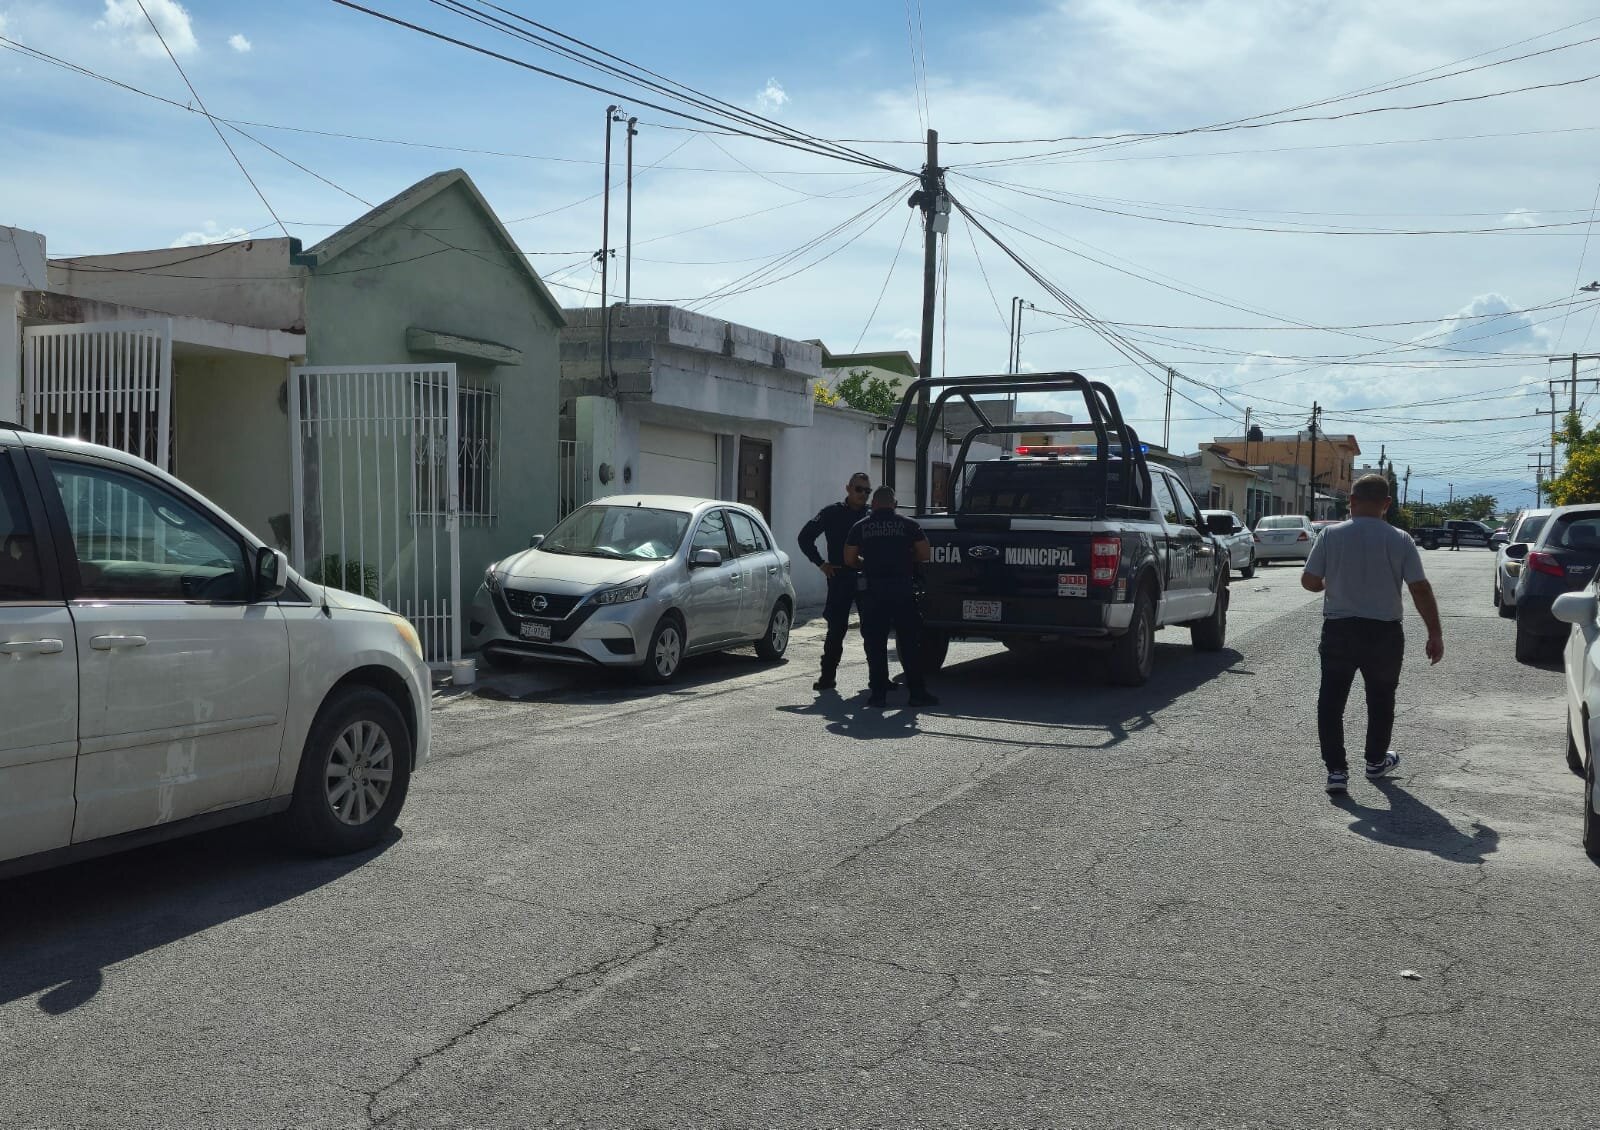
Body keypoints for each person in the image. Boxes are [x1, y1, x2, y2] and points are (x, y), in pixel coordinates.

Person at [1301, 474, 1444, 794]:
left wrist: (1328, 584)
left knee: (1331, 701)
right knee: (1381, 699)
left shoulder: (1330, 535)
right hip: (1384, 633)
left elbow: (1309, 581)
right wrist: (1434, 633)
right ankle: (1376, 761)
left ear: (1350, 501)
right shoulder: (1401, 539)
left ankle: (1336, 771)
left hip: (1339, 629)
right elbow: (1420, 588)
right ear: (1387, 504)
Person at [843, 486, 939, 709]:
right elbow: (925, 553)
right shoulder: (909, 525)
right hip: (902, 590)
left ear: (873, 504)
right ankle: (917, 694)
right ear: (894, 505)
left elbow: (849, 558)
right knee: (909, 643)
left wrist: (865, 563)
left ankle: (878, 695)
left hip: (873, 592)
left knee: (875, 644)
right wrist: (905, 560)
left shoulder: (861, 526)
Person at [797, 472, 872, 691]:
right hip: (840, 577)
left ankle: (878, 680)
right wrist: (821, 563)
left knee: (872, 629)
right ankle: (827, 677)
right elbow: (805, 537)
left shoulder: (872, 515)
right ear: (848, 488)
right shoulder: (832, 512)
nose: (863, 494)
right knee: (836, 629)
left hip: (867, 578)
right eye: (859, 489)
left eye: (867, 491)